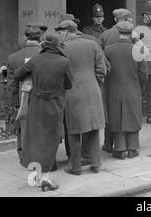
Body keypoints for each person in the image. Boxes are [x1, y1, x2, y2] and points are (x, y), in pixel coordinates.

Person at [13, 32, 73, 191]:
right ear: (58, 45)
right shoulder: (64, 61)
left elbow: (17, 74)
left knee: (37, 139)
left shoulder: (36, 60)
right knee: (51, 140)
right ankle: (45, 178)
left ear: (44, 44)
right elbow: (69, 84)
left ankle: (39, 175)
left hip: (37, 105)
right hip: (55, 106)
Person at [55, 20, 106, 175]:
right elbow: (101, 69)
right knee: (93, 128)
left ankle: (75, 166)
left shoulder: (62, 48)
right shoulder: (92, 44)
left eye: (59, 32)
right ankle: (96, 163)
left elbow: (59, 73)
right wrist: (95, 84)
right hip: (93, 90)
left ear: (65, 32)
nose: (59, 35)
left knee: (74, 130)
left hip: (73, 92)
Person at [104, 21, 148, 159]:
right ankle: (133, 148)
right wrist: (140, 86)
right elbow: (143, 74)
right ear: (130, 34)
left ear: (118, 33)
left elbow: (104, 70)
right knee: (132, 117)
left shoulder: (108, 49)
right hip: (133, 88)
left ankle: (120, 148)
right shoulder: (137, 49)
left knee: (116, 117)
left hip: (114, 89)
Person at [6, 27, 43, 160]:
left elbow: (12, 84)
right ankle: (39, 155)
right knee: (41, 125)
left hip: (23, 96)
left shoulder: (13, 57)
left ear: (25, 38)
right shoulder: (45, 54)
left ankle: (23, 154)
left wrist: (15, 103)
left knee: (23, 125)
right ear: (40, 39)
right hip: (42, 97)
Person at [100, 8, 133, 153]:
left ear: (114, 19)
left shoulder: (106, 34)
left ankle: (108, 144)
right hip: (129, 80)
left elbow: (100, 59)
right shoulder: (134, 34)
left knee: (110, 112)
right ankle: (128, 145)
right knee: (127, 113)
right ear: (127, 19)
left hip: (110, 79)